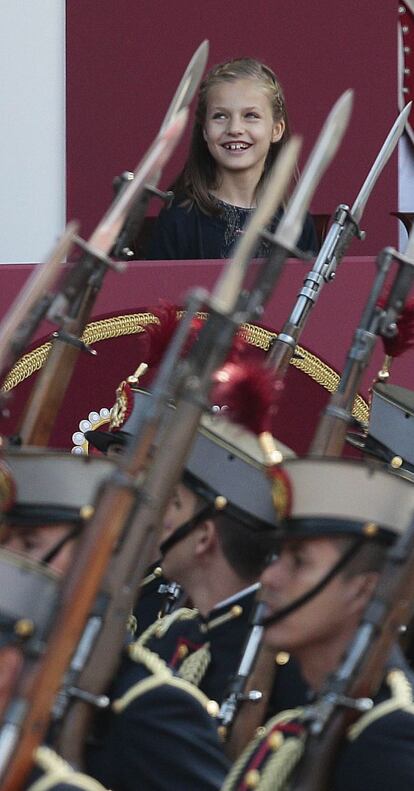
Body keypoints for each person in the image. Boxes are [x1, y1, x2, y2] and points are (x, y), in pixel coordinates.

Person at [0, 449, 230, 791]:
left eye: (31, 545)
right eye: (6, 544)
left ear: (99, 559)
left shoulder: (149, 705)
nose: (12, 562)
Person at [222, 456, 414, 791]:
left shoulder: (391, 743)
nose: (269, 575)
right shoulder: (308, 718)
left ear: (362, 589)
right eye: (277, 555)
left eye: (298, 561)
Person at [146, 57, 318, 260]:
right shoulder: (179, 220)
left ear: (276, 129)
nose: (235, 129)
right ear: (205, 130)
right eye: (220, 116)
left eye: (251, 115)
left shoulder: (296, 222)